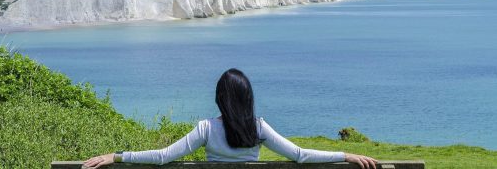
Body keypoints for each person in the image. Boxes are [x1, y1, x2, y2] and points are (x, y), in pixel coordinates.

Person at [84, 68, 377, 169]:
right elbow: (300, 155)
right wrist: (346, 155)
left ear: (220, 98)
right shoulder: (259, 127)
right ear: (248, 98)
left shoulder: (206, 129)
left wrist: (117, 156)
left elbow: (162, 157)